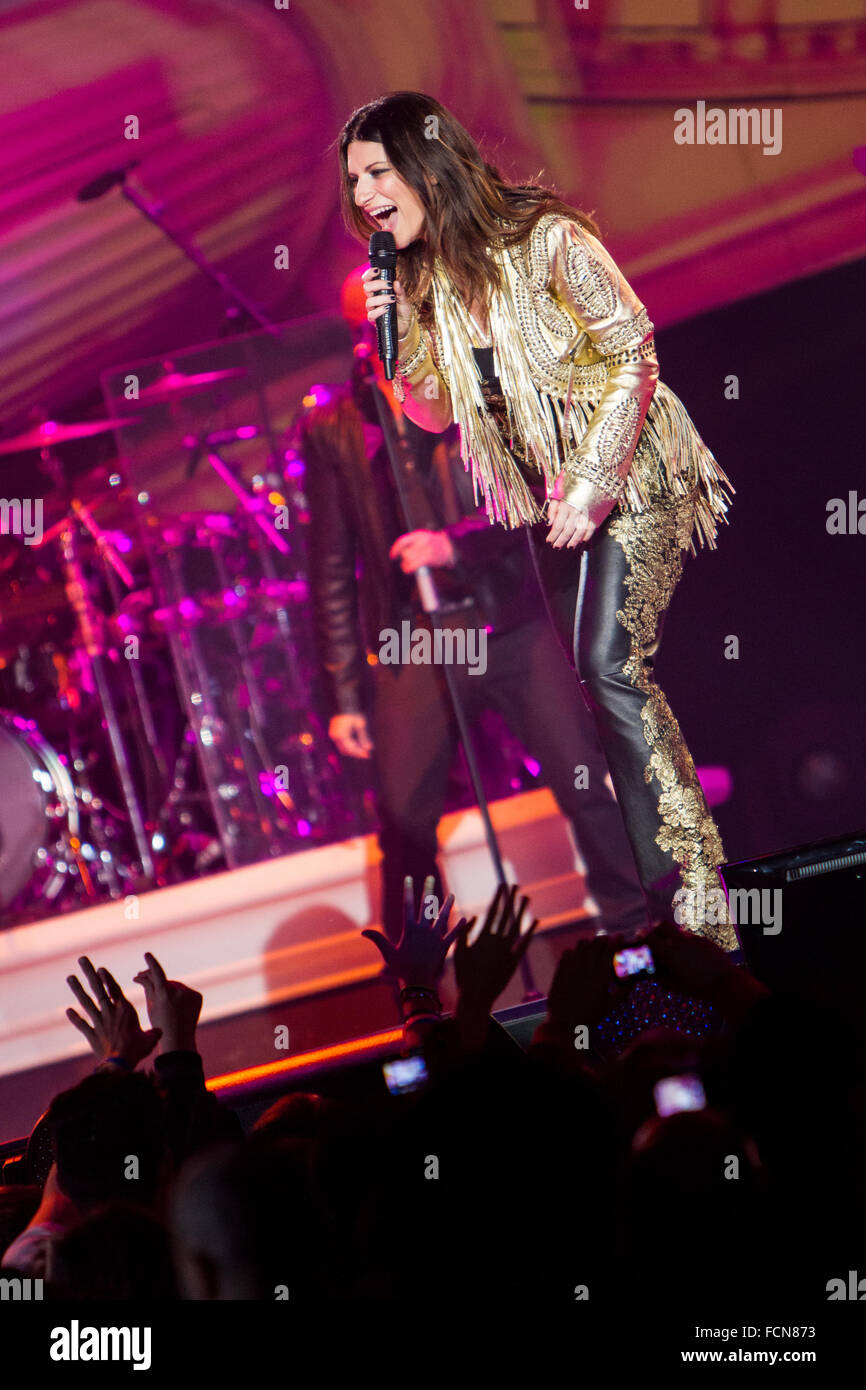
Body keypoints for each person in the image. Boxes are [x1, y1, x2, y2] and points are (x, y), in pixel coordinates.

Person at [339, 90, 738, 950]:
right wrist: (396, 328)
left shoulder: (547, 236)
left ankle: (695, 898)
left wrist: (595, 478)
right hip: (554, 505)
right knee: (604, 685)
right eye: (354, 182)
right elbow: (437, 415)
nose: (364, 194)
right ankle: (666, 911)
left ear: (425, 161)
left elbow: (634, 349)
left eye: (377, 171)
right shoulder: (424, 285)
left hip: (630, 464)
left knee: (608, 664)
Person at [296, 266, 647, 943]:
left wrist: (453, 546)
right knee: (403, 819)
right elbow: (332, 565)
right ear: (362, 334)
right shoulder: (336, 428)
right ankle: (420, 974)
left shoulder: (478, 389)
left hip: (506, 621)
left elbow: (532, 497)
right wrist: (344, 694)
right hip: (417, 639)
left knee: (583, 780)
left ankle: (640, 931)